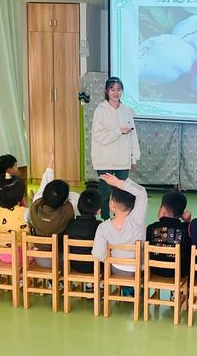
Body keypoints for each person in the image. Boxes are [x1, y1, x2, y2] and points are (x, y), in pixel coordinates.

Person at [91, 77, 140, 220]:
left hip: (122, 159)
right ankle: (105, 219)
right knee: (105, 192)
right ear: (107, 91)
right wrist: (118, 131)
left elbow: (133, 135)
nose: (116, 93)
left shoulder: (127, 111)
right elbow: (99, 135)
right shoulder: (100, 110)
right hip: (104, 159)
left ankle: (120, 218)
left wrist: (134, 156)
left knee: (122, 192)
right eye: (112, 89)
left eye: (119, 89)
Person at [92, 173, 147, 296]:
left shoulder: (103, 227)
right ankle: (132, 289)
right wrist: (118, 182)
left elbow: (98, 254)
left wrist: (110, 258)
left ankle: (126, 289)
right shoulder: (137, 221)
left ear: (112, 204)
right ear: (133, 205)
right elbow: (141, 192)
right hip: (136, 269)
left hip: (115, 269)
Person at [29, 154, 79, 268]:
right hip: (60, 259)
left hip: (39, 258)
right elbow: (75, 196)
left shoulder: (35, 205)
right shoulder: (68, 210)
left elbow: (44, 184)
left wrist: (50, 164)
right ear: (65, 200)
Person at [146, 190, 191, 279]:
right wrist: (188, 221)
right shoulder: (186, 228)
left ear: (163, 209)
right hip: (179, 272)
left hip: (155, 270)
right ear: (181, 213)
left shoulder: (151, 228)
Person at [66, 188, 102, 275]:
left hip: (74, 264)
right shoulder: (100, 227)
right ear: (98, 210)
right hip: (95, 266)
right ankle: (99, 286)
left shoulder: (70, 225)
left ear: (78, 206)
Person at [0, 174, 29, 263]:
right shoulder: (24, 212)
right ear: (20, 196)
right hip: (22, 255)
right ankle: (23, 276)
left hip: (3, 255)